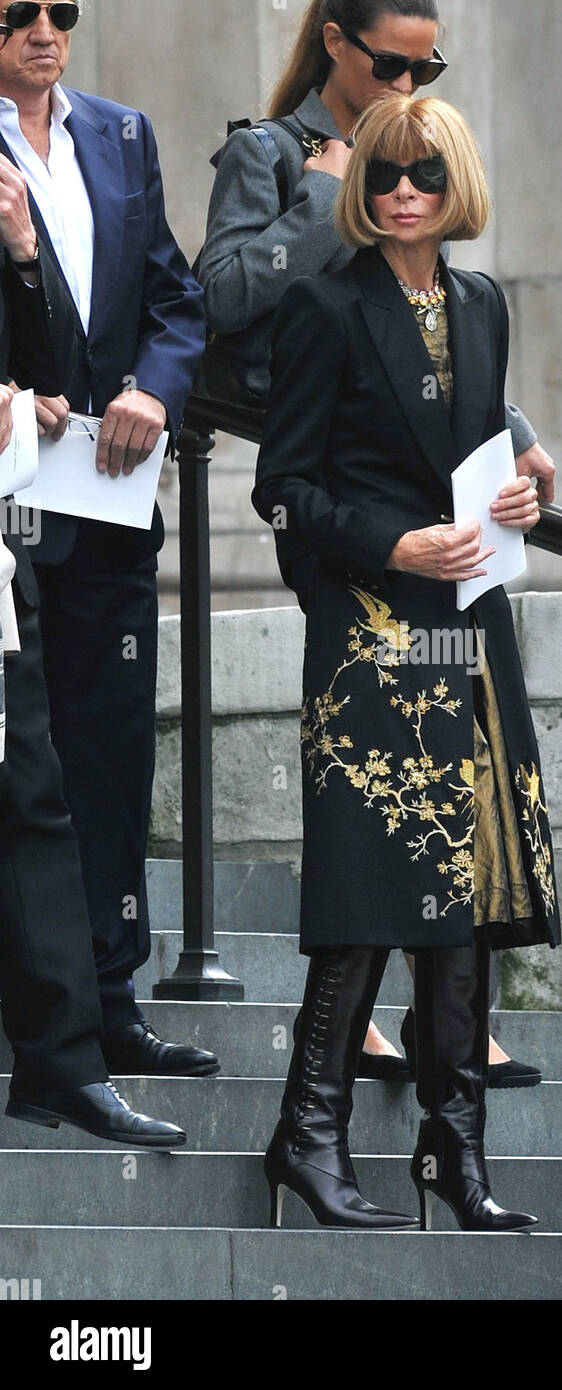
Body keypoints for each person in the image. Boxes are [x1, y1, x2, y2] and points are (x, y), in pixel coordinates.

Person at [200, 0, 552, 1086]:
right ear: (336, 44)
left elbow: (461, 393)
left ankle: (455, 1114)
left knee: (467, 832)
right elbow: (222, 298)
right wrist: (329, 200)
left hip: (457, 582)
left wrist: (524, 459)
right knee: (368, 848)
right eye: (391, 62)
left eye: (426, 67)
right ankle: (320, 1111)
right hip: (356, 555)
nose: (407, 83)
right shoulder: (271, 158)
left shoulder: (479, 299)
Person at [253, 93, 561, 1231]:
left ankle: (454, 1150)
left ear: (455, 185)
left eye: (423, 175)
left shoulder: (481, 304)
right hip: (370, 635)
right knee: (369, 884)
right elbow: (280, 487)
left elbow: (481, 443)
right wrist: (386, 541)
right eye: (381, 175)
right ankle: (307, 1131)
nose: (400, 194)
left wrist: (531, 483)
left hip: (469, 620)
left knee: (467, 890)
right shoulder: (321, 307)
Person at [0, 1, 217, 1078]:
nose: (43, 32)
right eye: (14, 15)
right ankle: (41, 1014)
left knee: (111, 754)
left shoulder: (119, 133)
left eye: (60, 11)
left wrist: (155, 393)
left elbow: (176, 300)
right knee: (24, 769)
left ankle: (113, 997)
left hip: (115, 498)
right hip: (13, 504)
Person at [0, 143, 184, 1147]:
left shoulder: (47, 175)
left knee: (35, 789)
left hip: (10, 537)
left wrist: (27, 256)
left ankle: (63, 1061)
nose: (42, 29)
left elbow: (52, 357)